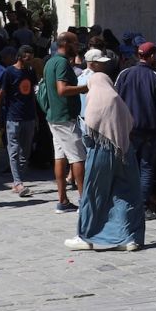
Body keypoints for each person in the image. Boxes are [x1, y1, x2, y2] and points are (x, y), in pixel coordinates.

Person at [64, 50, 145, 252]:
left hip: (102, 150)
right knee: (126, 193)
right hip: (124, 150)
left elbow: (90, 123)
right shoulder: (114, 96)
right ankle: (128, 238)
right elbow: (129, 121)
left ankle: (86, 236)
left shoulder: (95, 94)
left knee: (93, 192)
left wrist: (90, 142)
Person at [115, 41, 156, 216]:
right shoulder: (155, 77)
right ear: (151, 56)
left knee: (130, 167)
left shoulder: (124, 75)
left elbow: (116, 101)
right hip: (150, 130)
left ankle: (130, 203)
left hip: (129, 129)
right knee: (146, 168)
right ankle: (144, 206)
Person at [39, 32, 89, 213]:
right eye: (75, 43)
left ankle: (63, 200)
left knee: (60, 157)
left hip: (54, 116)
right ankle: (84, 200)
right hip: (65, 117)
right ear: (66, 44)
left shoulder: (50, 62)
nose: (77, 47)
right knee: (78, 158)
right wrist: (85, 88)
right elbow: (62, 89)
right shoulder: (61, 63)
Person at [0, 45, 38, 197]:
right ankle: (18, 183)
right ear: (19, 57)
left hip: (29, 117)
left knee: (26, 151)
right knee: (13, 151)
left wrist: (36, 115)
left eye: (31, 57)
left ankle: (18, 181)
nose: (30, 60)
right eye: (27, 58)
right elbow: (0, 95)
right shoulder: (9, 72)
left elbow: (32, 93)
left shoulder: (30, 72)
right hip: (13, 118)